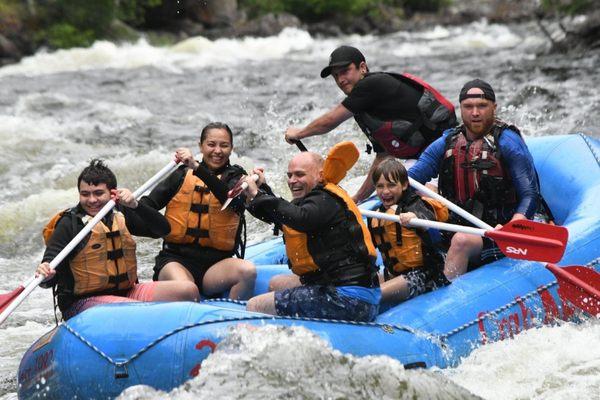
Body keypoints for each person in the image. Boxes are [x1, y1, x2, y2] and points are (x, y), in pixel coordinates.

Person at [408, 79, 552, 280]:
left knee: (460, 241)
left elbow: (529, 194)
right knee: (422, 205)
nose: (475, 112)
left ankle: (445, 300)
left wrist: (516, 224)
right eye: (468, 107)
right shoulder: (447, 142)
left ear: (494, 107)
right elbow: (410, 179)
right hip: (457, 222)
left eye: (482, 106)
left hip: (498, 231)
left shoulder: (509, 143)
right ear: (461, 109)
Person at [284, 45, 457, 203]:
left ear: (362, 68)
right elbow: (383, 157)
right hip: (421, 157)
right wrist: (357, 199)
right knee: (388, 192)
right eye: (336, 75)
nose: (341, 79)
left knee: (412, 195)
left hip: (447, 149)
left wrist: (299, 133)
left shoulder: (371, 84)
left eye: (345, 71)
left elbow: (330, 121)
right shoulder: (364, 110)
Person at [36, 159, 199, 320]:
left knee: (187, 290)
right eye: (85, 194)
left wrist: (136, 205)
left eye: (98, 193)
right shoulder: (69, 224)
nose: (92, 200)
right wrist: (46, 273)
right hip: (81, 303)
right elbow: (47, 275)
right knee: (129, 308)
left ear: (113, 193)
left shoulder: (121, 213)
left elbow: (162, 230)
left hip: (126, 293)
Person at [242, 144, 381, 322]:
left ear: (320, 175)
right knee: (276, 283)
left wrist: (257, 193)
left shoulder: (324, 200)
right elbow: (282, 215)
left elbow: (300, 218)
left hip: (349, 300)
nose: (292, 180)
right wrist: (260, 191)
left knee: (255, 306)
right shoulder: (315, 199)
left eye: (300, 175)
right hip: (341, 288)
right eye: (290, 175)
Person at [140, 122, 256, 300]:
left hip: (216, 267)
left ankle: (234, 319)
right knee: (188, 289)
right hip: (176, 260)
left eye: (224, 145)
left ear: (232, 149)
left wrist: (198, 168)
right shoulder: (181, 175)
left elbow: (230, 199)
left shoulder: (237, 178)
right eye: (211, 144)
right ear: (200, 146)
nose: (217, 151)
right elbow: (148, 205)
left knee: (247, 272)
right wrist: (131, 205)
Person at [367, 158, 450, 304]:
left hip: (425, 276)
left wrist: (416, 220)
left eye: (391, 185)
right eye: (380, 186)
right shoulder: (376, 215)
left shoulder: (415, 205)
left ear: (404, 185)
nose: (385, 191)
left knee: (374, 295)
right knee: (363, 287)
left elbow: (435, 235)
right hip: (394, 273)